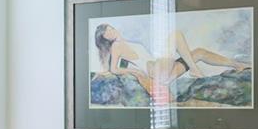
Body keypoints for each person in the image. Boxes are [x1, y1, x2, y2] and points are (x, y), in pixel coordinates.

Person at [93, 22, 248, 101]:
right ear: (105, 38)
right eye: (107, 32)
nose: (111, 31)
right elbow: (114, 69)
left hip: (164, 72)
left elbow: (113, 68)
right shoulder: (117, 46)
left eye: (110, 28)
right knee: (175, 35)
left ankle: (237, 65)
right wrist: (134, 71)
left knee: (200, 52)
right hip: (157, 72)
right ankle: (194, 70)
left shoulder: (126, 43)